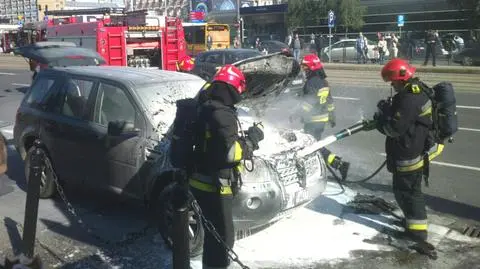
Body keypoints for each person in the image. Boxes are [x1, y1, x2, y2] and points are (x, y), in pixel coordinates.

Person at [190, 64, 264, 269]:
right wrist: (251, 141)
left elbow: (214, 143)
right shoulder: (221, 114)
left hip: (200, 179)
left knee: (213, 236)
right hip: (216, 185)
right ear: (232, 88)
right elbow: (230, 153)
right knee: (223, 239)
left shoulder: (205, 106)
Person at [366, 58, 444, 242]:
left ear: (401, 78)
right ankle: (412, 222)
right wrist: (389, 109)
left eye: (392, 81)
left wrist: (381, 120)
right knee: (404, 191)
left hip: (410, 153)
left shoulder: (409, 98)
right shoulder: (417, 90)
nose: (392, 85)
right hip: (412, 146)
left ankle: (417, 233)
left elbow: (394, 129)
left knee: (408, 192)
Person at [298, 54, 350, 179]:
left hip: (312, 121)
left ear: (311, 67)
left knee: (311, 146)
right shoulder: (323, 81)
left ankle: (338, 164)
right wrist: (332, 116)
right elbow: (329, 100)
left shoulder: (311, 83)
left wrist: (297, 114)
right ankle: (335, 164)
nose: (304, 70)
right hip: (322, 119)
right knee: (314, 144)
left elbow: (308, 103)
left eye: (305, 67)